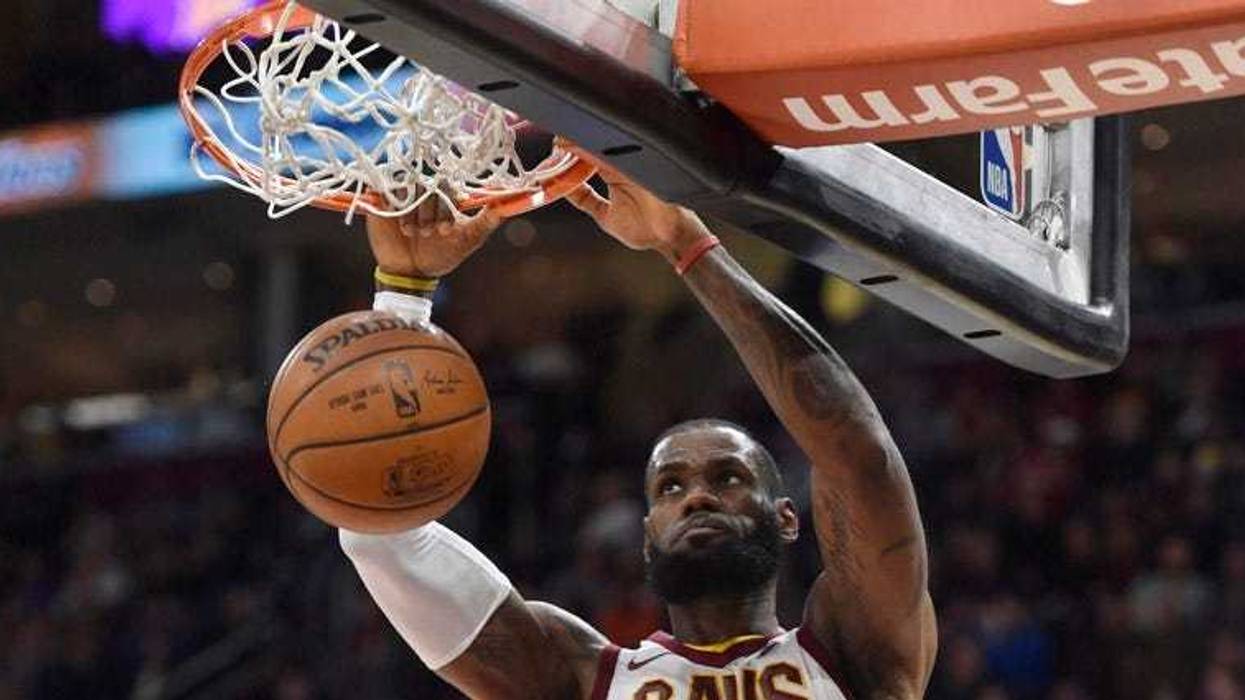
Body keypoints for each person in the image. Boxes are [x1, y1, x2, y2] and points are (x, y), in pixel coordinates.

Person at [342, 145, 937, 700]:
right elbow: (377, 533)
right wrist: (403, 292)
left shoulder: (854, 648)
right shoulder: (580, 675)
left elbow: (860, 456)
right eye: (670, 488)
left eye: (728, 477)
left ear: (787, 518)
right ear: (648, 534)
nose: (697, 497)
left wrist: (686, 244)